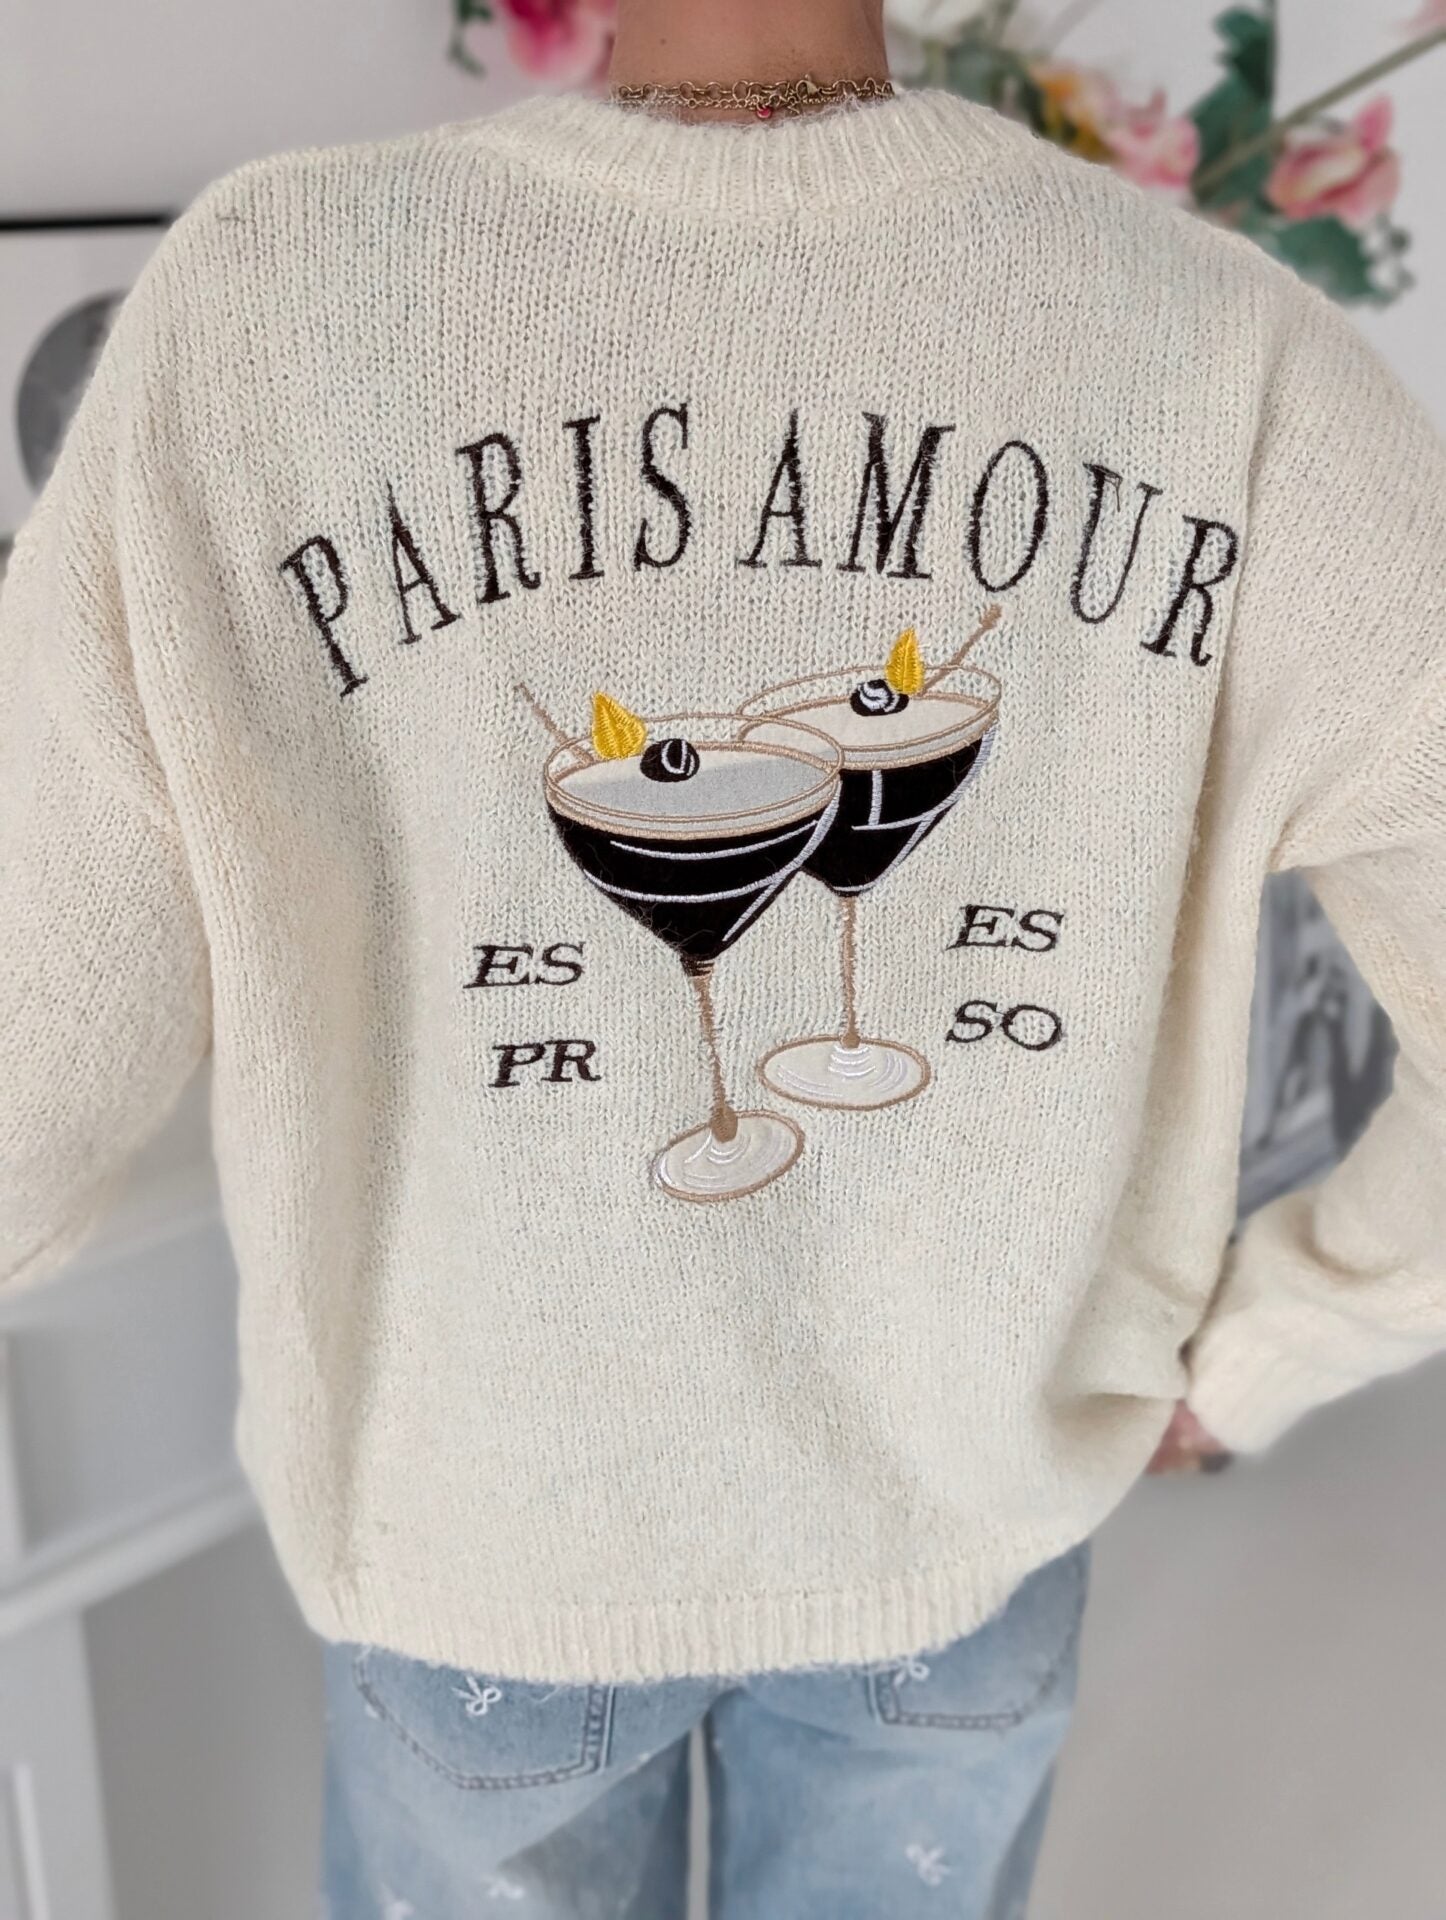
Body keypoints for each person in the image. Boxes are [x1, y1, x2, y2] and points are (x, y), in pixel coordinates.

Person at [2, 0, 1442, 1911]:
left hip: (488, 1556)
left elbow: (37, 1032)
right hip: (965, 1538)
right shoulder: (1224, 344)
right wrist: (1284, 1337)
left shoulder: (262, 303)